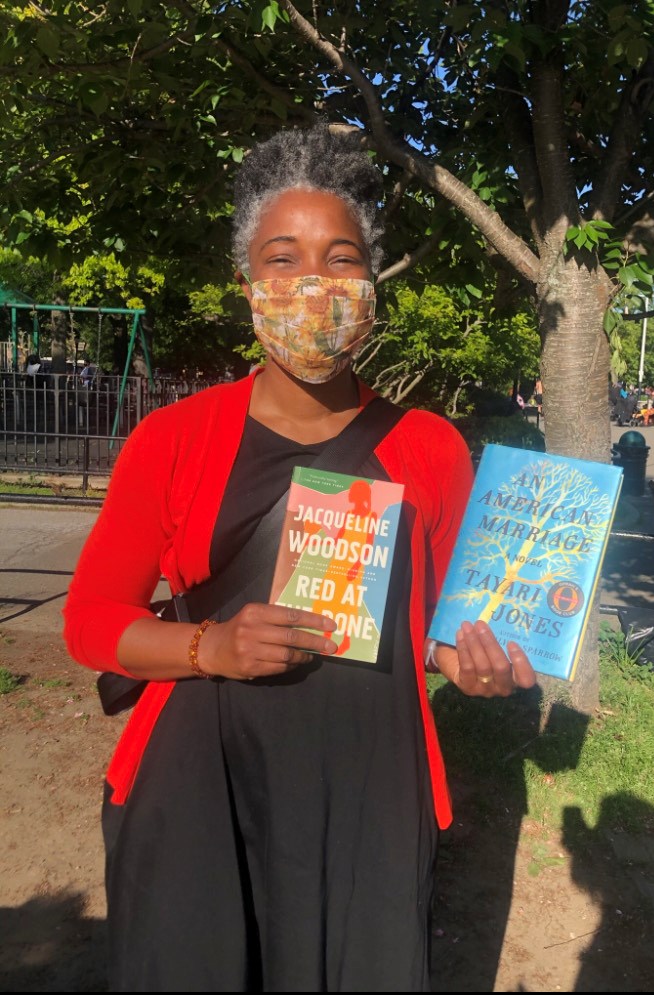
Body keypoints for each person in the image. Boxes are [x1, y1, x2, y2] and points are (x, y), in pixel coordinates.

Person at [63, 122, 536, 993]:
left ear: (372, 281)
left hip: (370, 798)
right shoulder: (174, 438)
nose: (314, 283)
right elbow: (91, 622)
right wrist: (211, 647)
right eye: (284, 258)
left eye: (341, 257)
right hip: (200, 793)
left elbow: (434, 629)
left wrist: (467, 664)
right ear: (249, 281)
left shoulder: (430, 448)